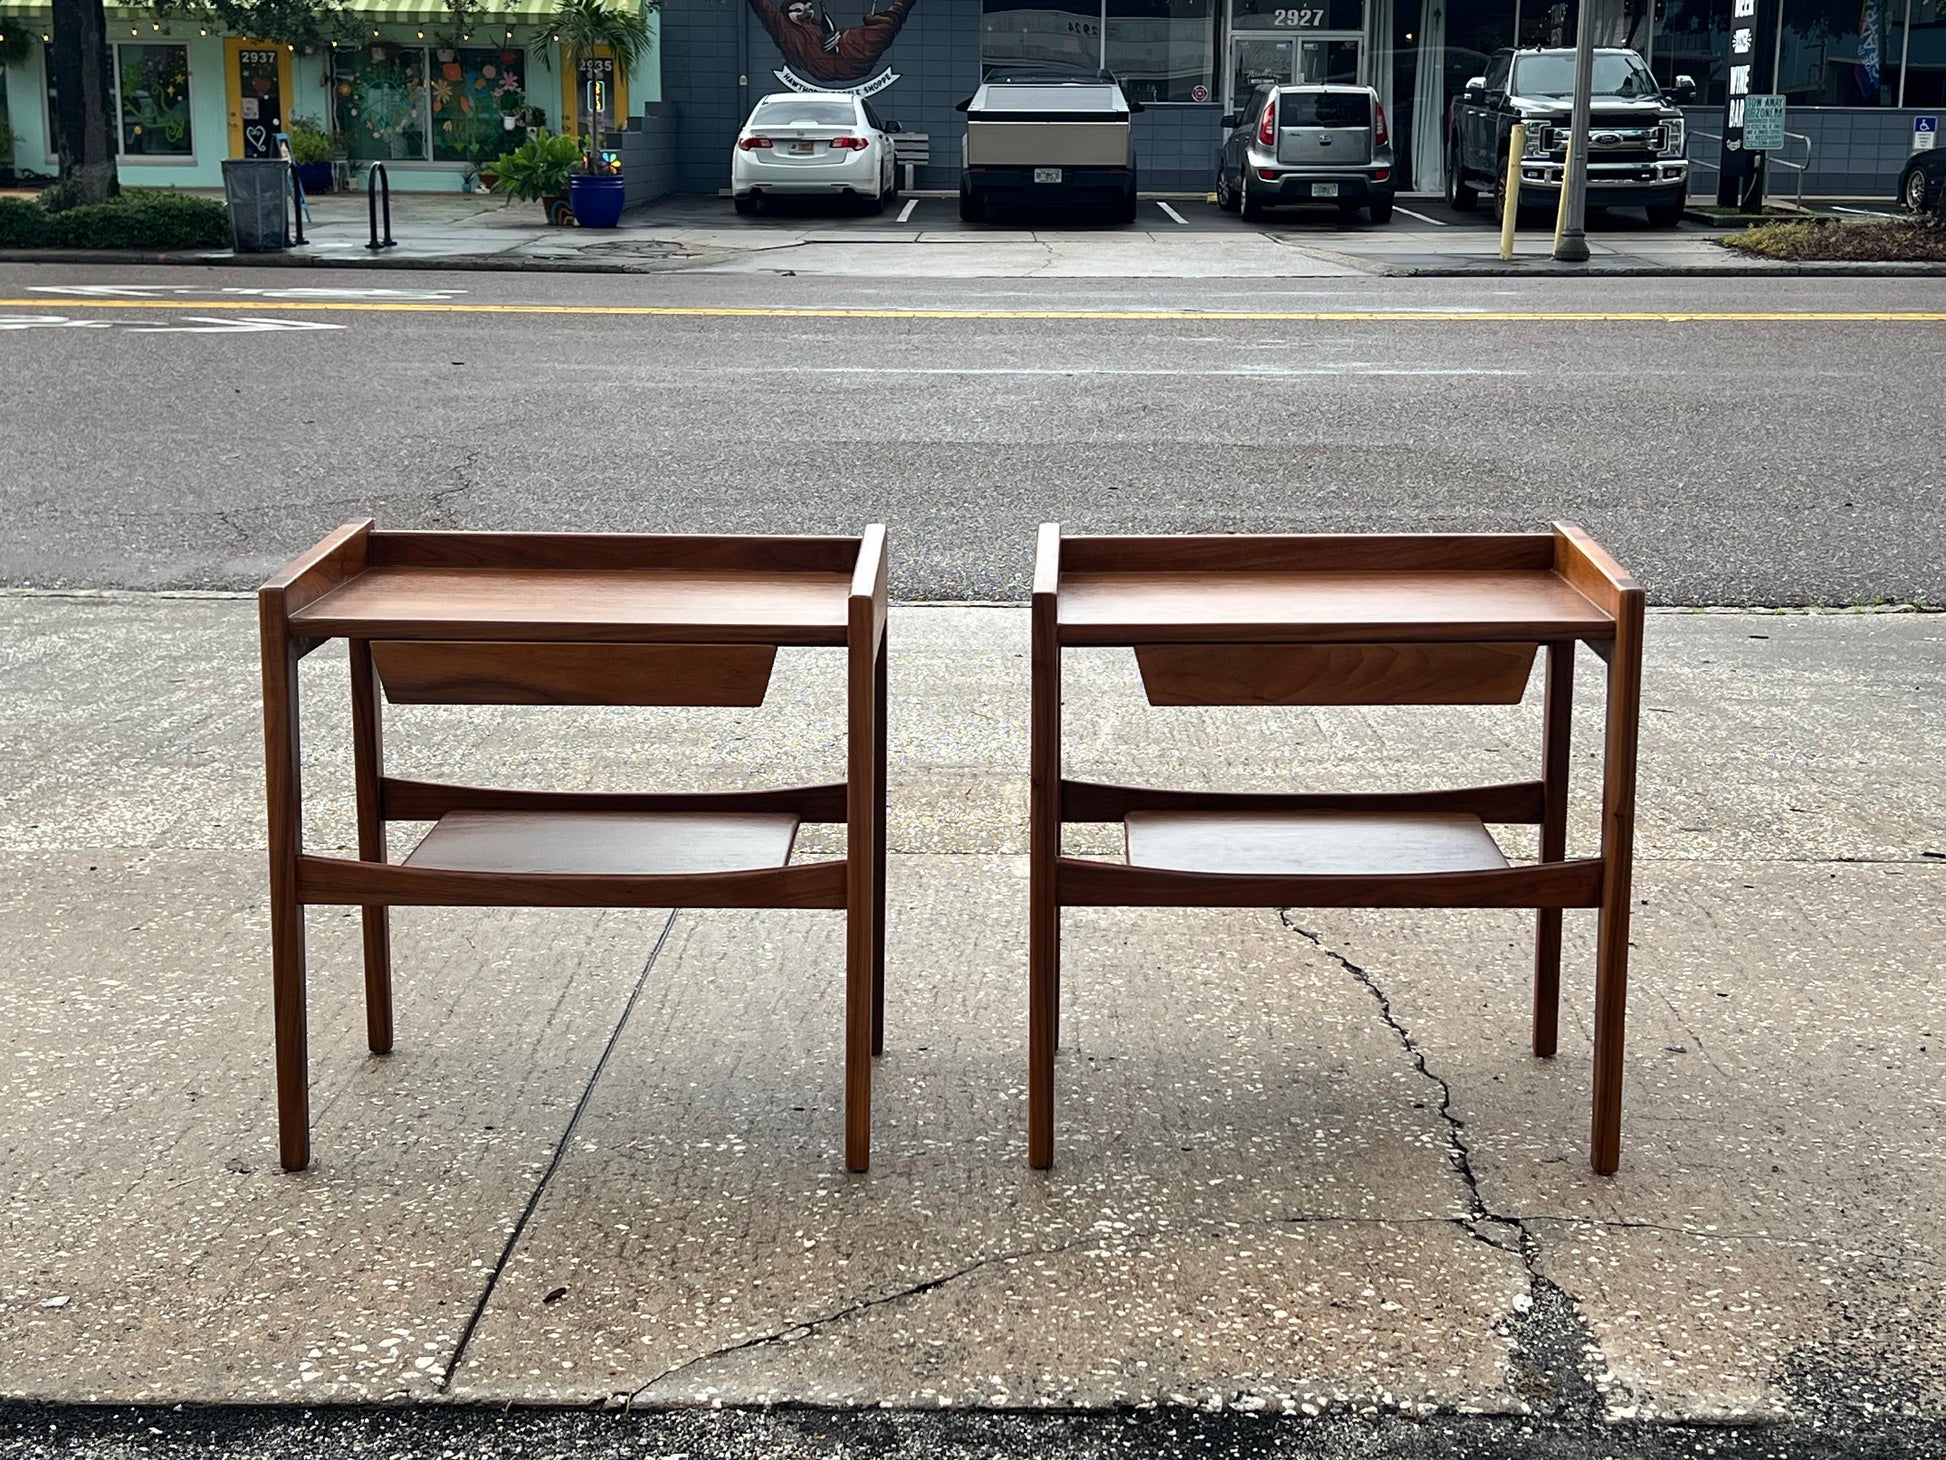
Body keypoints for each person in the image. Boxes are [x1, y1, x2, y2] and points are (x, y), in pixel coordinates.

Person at [745, 0, 919, 86]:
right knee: (882, 29)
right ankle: (896, 11)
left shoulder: (814, 25)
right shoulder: (783, 28)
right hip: (828, 64)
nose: (806, 12)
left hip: (844, 57)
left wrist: (837, 38)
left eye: (809, 8)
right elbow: (764, 7)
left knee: (881, 30)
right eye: (798, 10)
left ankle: (897, 9)